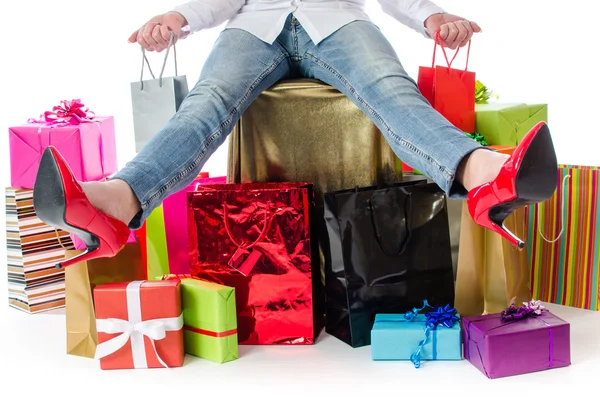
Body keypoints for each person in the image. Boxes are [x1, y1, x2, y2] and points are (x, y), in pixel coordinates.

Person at [32, 0, 558, 269]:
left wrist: (432, 16)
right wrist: (178, 17)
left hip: (340, 20)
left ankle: (485, 174)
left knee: (390, 91)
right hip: (253, 23)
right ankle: (118, 202)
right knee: (204, 106)